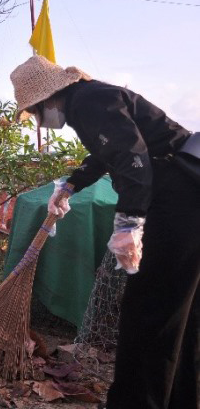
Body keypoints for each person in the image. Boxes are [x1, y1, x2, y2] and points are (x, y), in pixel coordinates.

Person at [10, 55, 198, 409]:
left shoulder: (88, 102)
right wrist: (69, 185)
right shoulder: (93, 97)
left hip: (178, 196)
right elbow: (105, 155)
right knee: (181, 312)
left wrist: (130, 222)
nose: (39, 120)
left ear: (47, 98)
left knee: (149, 309)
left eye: (35, 112)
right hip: (190, 194)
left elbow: (133, 158)